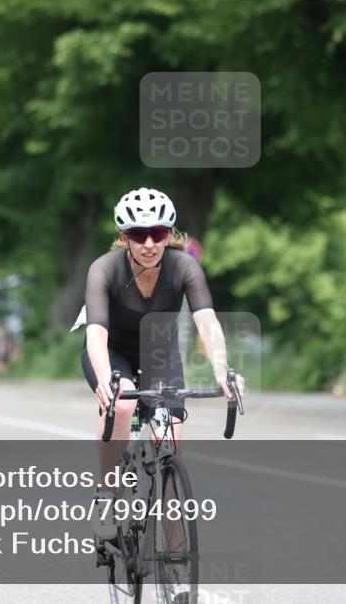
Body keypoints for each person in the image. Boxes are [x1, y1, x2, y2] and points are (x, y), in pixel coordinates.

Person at [80, 187, 245, 542]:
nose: (150, 243)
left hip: (160, 353)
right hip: (112, 351)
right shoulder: (103, 270)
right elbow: (95, 334)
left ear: (168, 234)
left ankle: (177, 562)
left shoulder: (184, 266)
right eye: (139, 235)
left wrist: (221, 367)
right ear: (125, 237)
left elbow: (208, 323)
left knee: (168, 440)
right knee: (122, 405)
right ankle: (105, 496)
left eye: (158, 233)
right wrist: (108, 381)